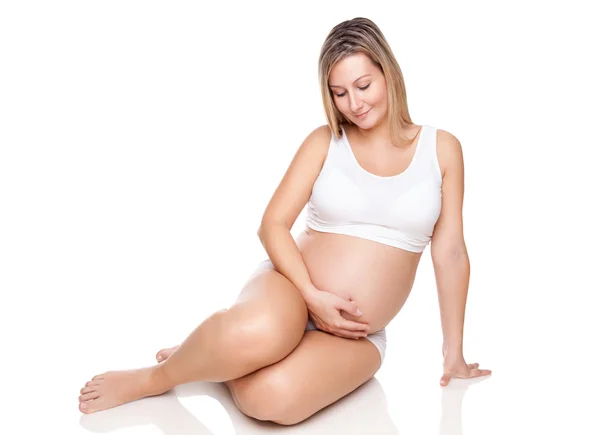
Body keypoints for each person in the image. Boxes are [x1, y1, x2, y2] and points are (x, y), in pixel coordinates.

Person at [77, 17, 491, 425]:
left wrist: (452, 352)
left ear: (389, 73)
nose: (355, 103)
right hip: (290, 287)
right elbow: (272, 225)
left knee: (270, 400)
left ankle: (215, 361)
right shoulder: (324, 142)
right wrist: (312, 296)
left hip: (357, 333)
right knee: (262, 331)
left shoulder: (442, 149)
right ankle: (158, 377)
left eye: (364, 86)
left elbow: (451, 253)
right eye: (340, 93)